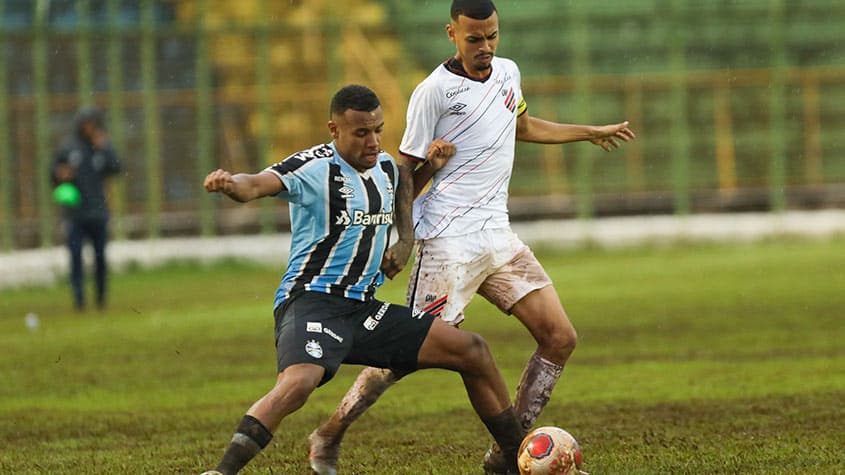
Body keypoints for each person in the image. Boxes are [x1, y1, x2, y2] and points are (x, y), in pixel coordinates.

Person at [309, 2, 637, 474]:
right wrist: (404, 239)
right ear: (452, 34)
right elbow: (404, 169)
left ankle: (508, 455)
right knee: (403, 358)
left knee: (560, 337)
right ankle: (329, 433)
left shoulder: (508, 73)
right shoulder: (434, 92)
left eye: (492, 37)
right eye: (474, 39)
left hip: (497, 236)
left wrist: (586, 131)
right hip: (446, 242)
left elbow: (520, 125)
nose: (485, 49)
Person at [199, 84, 525, 475]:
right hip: (312, 300)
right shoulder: (312, 167)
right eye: (361, 133)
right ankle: (222, 472)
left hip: (363, 308)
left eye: (378, 130)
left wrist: (423, 188)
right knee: (299, 382)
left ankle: (515, 457)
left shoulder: (385, 166)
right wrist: (229, 184)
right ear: (334, 130)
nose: (373, 142)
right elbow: (254, 184)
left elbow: (399, 193)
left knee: (472, 350)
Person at [51, 106, 122, 311]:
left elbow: (116, 168)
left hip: (98, 212)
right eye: (87, 124)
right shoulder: (68, 148)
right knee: (75, 256)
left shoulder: (101, 146)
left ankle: (100, 299)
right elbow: (53, 173)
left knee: (100, 257)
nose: (90, 128)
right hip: (75, 214)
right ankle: (79, 300)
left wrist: (105, 148)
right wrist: (59, 174)